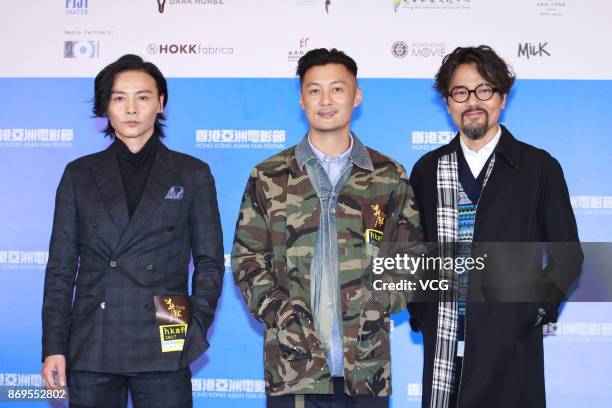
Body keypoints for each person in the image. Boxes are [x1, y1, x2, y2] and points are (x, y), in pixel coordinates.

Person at [231, 48, 421, 408]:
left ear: (356, 95)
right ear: (302, 99)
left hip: (366, 368)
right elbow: (247, 258)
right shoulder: (269, 175)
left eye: (337, 88)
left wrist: (378, 302)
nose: (326, 100)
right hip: (292, 367)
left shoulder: (388, 176)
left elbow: (411, 257)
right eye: (315, 90)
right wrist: (281, 313)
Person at [41, 54, 224, 408]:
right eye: (118, 98)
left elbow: (209, 262)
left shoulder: (192, 173)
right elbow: (61, 268)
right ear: (105, 107)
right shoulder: (80, 174)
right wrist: (54, 347)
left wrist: (191, 326)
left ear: (160, 102)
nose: (131, 109)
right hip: (94, 338)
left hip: (166, 330)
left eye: (142, 97)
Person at [408, 45, 583, 408]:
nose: (473, 101)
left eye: (484, 90)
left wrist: (532, 311)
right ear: (448, 102)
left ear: (502, 98)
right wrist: (419, 311)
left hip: (510, 348)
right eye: (460, 92)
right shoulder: (427, 170)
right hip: (443, 344)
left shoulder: (537, 168)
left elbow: (568, 256)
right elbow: (412, 252)